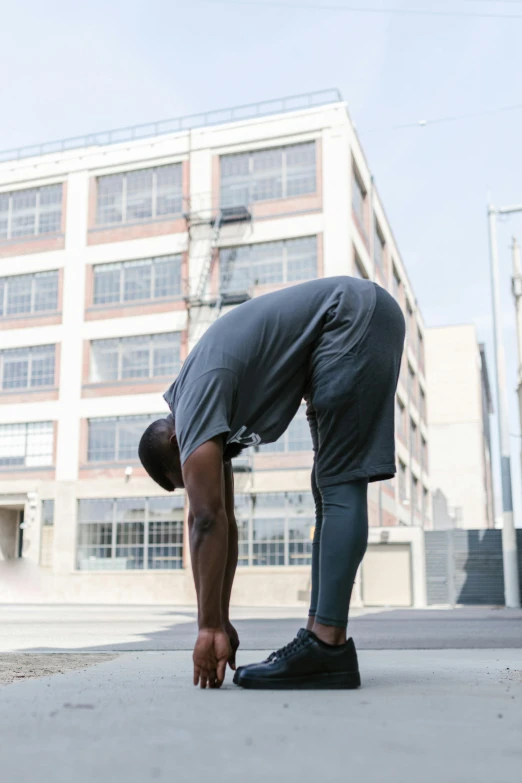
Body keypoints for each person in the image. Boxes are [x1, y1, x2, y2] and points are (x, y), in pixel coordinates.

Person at [138, 276, 405, 690]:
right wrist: (220, 619)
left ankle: (327, 646)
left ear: (177, 442)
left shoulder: (194, 403)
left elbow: (205, 520)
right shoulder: (209, 411)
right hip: (349, 323)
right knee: (328, 486)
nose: (195, 485)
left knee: (338, 483)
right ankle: (319, 639)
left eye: (186, 478)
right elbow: (224, 521)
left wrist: (206, 629)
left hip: (348, 319)